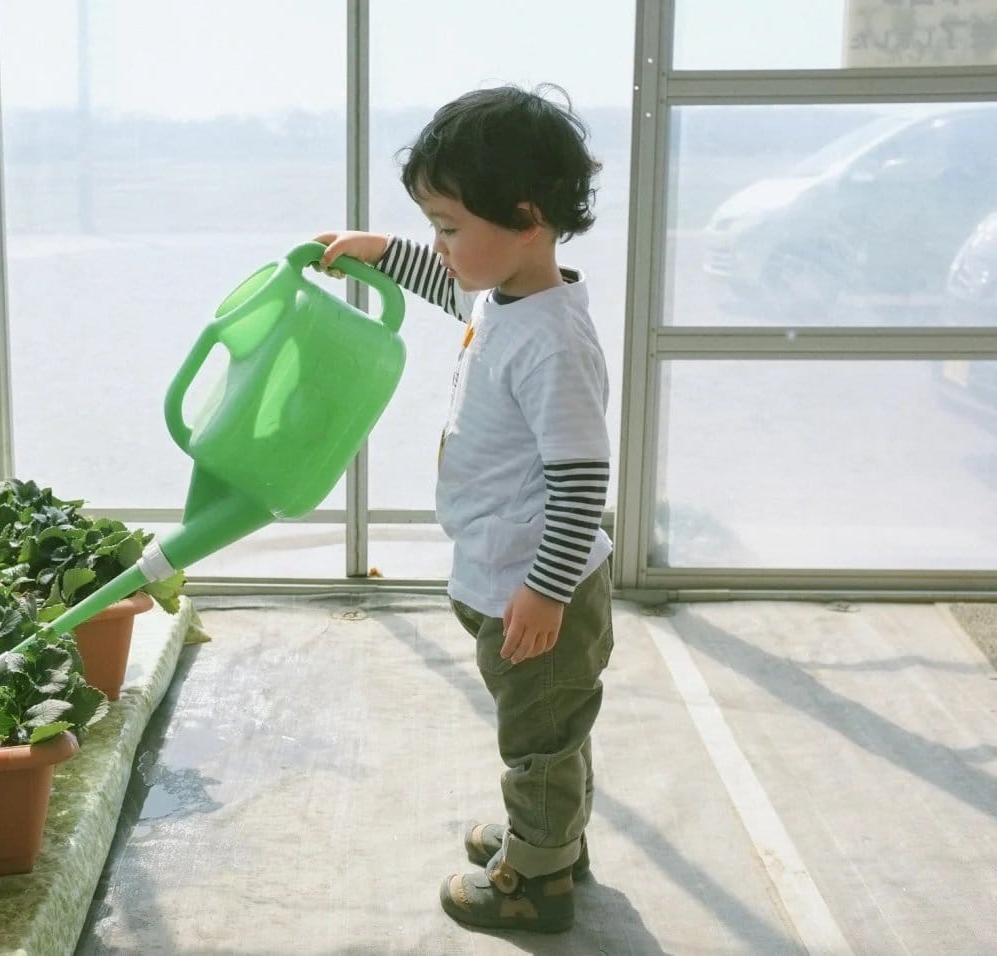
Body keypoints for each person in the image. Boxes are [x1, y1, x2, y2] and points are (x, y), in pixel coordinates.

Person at [313, 84, 614, 934]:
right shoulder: (503, 295)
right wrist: (380, 250)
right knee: (546, 722)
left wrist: (547, 593)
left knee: (539, 735)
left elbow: (583, 481)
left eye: (448, 226)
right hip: (509, 567)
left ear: (524, 216)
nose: (437, 244)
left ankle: (538, 878)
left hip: (538, 585)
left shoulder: (553, 339)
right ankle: (553, 831)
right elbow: (451, 286)